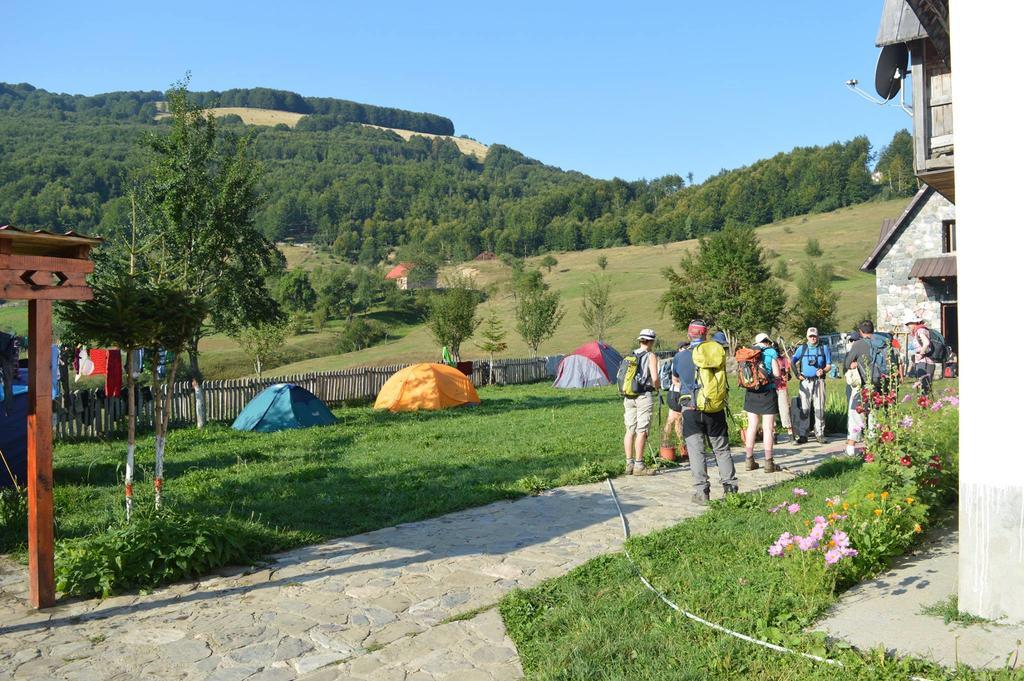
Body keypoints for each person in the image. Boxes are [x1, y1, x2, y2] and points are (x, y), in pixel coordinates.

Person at [674, 320, 738, 503]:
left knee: (696, 451)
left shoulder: (681, 356)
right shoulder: (716, 352)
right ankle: (730, 488)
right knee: (721, 449)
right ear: (705, 334)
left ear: (689, 335)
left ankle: (702, 492)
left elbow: (675, 378)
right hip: (714, 407)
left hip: (691, 408)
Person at [742, 333, 782, 472]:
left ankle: (749, 460)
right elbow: (777, 374)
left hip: (751, 393)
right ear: (767, 342)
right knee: (768, 428)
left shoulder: (749, 352)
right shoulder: (771, 352)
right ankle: (768, 463)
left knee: (752, 426)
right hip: (767, 393)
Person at [623, 328, 661, 476]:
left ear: (640, 340)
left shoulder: (631, 355)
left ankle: (629, 463)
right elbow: (655, 378)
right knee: (642, 430)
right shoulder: (650, 356)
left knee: (630, 429)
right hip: (643, 395)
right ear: (651, 341)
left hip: (629, 396)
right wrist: (657, 388)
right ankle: (639, 466)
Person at [844, 320, 880, 456]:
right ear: (873, 330)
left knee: (855, 415)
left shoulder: (858, 344)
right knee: (873, 417)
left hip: (863, 386)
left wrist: (853, 364)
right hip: (879, 386)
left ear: (860, 331)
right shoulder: (881, 343)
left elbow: (847, 363)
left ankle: (850, 450)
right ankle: (873, 450)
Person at [791, 327, 832, 445]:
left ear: (818, 336)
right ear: (807, 337)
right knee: (804, 408)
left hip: (819, 381)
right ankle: (803, 435)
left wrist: (823, 371)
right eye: (810, 336)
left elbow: (829, 365)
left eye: (814, 336)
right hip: (805, 382)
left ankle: (820, 433)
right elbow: (792, 362)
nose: (813, 338)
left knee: (819, 408)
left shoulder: (824, 348)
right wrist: (797, 374)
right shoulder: (802, 348)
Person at [661, 340, 688, 451]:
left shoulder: (679, 359)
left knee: (672, 419)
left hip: (674, 392)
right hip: (677, 393)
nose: (686, 349)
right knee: (677, 419)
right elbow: (675, 379)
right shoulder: (679, 359)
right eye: (684, 347)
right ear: (679, 349)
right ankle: (681, 446)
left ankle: (666, 443)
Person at [905, 316, 938, 395]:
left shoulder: (920, 330)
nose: (908, 326)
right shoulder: (923, 330)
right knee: (925, 387)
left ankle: (925, 405)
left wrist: (920, 354)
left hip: (924, 362)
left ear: (914, 323)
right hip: (927, 362)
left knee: (924, 387)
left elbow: (926, 343)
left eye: (909, 324)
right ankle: (926, 405)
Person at [775, 348, 794, 441]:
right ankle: (773, 433)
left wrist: (786, 374)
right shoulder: (767, 358)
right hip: (771, 388)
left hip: (782, 387)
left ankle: (790, 432)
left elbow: (788, 374)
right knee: (772, 411)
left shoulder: (783, 359)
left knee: (785, 409)